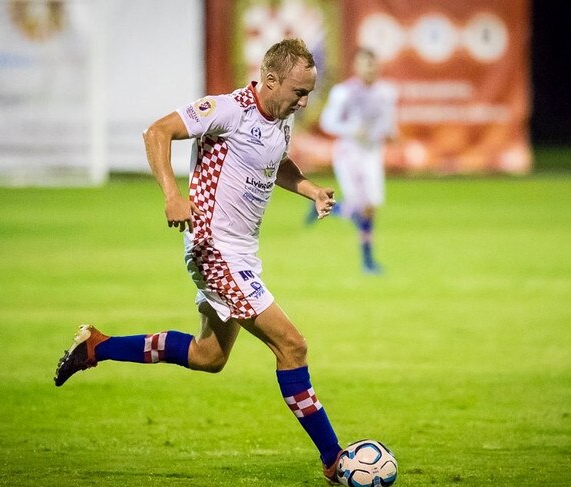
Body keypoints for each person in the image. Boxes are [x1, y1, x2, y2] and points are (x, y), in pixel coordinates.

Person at [53, 38, 345, 484]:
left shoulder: (279, 120)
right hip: (214, 249)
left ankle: (97, 346)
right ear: (270, 80)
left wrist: (310, 189)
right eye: (299, 92)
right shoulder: (228, 110)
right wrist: (174, 195)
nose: (304, 102)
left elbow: (275, 162)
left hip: (242, 252)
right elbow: (157, 132)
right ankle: (334, 459)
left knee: (208, 356)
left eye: (308, 93)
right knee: (292, 346)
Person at [315, 47, 398, 274]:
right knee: (362, 206)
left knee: (370, 206)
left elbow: (388, 121)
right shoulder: (344, 92)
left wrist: (392, 132)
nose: (369, 69)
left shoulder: (386, 92)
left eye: (372, 64)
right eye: (365, 64)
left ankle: (323, 206)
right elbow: (327, 122)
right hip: (349, 153)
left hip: (372, 153)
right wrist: (352, 129)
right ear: (357, 66)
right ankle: (368, 262)